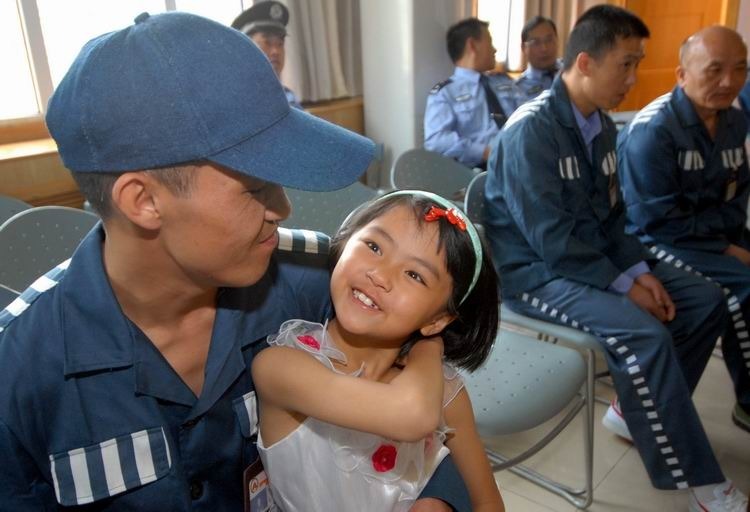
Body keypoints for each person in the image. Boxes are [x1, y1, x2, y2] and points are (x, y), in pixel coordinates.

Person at [0, 12, 471, 511]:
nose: (284, 209)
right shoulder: (19, 374)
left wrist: (436, 498)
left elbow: (432, 408)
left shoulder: (317, 281)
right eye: (256, 188)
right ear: (143, 200)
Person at [483, 5, 748, 511]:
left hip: (587, 260)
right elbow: (553, 242)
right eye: (625, 64)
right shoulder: (530, 132)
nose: (633, 77)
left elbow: (614, 218)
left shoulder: (599, 125)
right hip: (535, 276)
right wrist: (625, 286)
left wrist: (641, 273)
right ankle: (702, 483)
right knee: (642, 333)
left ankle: (632, 411)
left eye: (637, 63)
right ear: (585, 62)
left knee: (704, 298)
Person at [254, 191, 504, 511]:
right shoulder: (282, 365)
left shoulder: (444, 389)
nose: (380, 275)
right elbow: (413, 416)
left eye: (414, 274)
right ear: (344, 243)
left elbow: (488, 502)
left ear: (438, 318)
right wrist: (429, 347)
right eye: (374, 247)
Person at [617, 26, 750, 441]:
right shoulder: (653, 131)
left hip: (707, 233)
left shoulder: (734, 119)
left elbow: (735, 193)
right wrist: (728, 248)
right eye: (714, 71)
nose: (728, 82)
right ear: (682, 74)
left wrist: (733, 241)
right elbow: (658, 221)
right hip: (655, 240)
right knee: (742, 288)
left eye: (740, 70)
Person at [424, 17, 523, 169]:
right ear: (472, 45)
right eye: (490, 41)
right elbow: (436, 140)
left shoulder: (504, 82)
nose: (494, 49)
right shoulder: (445, 94)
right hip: (480, 171)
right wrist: (485, 152)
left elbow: (530, 115)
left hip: (522, 161)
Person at [232, 0, 302, 108]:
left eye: (280, 43)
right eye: (267, 42)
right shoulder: (233, 100)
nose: (276, 51)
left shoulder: (288, 97)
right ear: (245, 47)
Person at [515, 16, 562, 101]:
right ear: (523, 48)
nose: (544, 48)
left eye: (549, 40)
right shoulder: (518, 89)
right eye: (536, 43)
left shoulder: (571, 72)